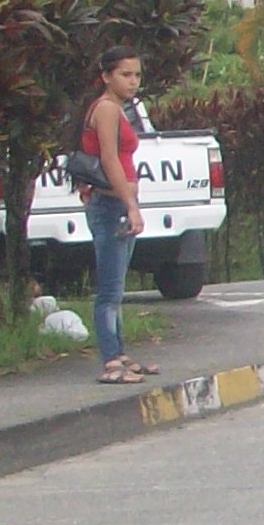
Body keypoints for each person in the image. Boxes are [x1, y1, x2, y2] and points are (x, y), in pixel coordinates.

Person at [76, 47, 150, 385]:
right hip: (110, 205)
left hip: (115, 203)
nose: (133, 82)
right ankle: (110, 360)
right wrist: (130, 204)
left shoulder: (117, 109)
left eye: (137, 75)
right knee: (109, 289)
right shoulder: (106, 109)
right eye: (125, 75)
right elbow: (109, 159)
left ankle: (119, 354)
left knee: (117, 286)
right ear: (106, 76)